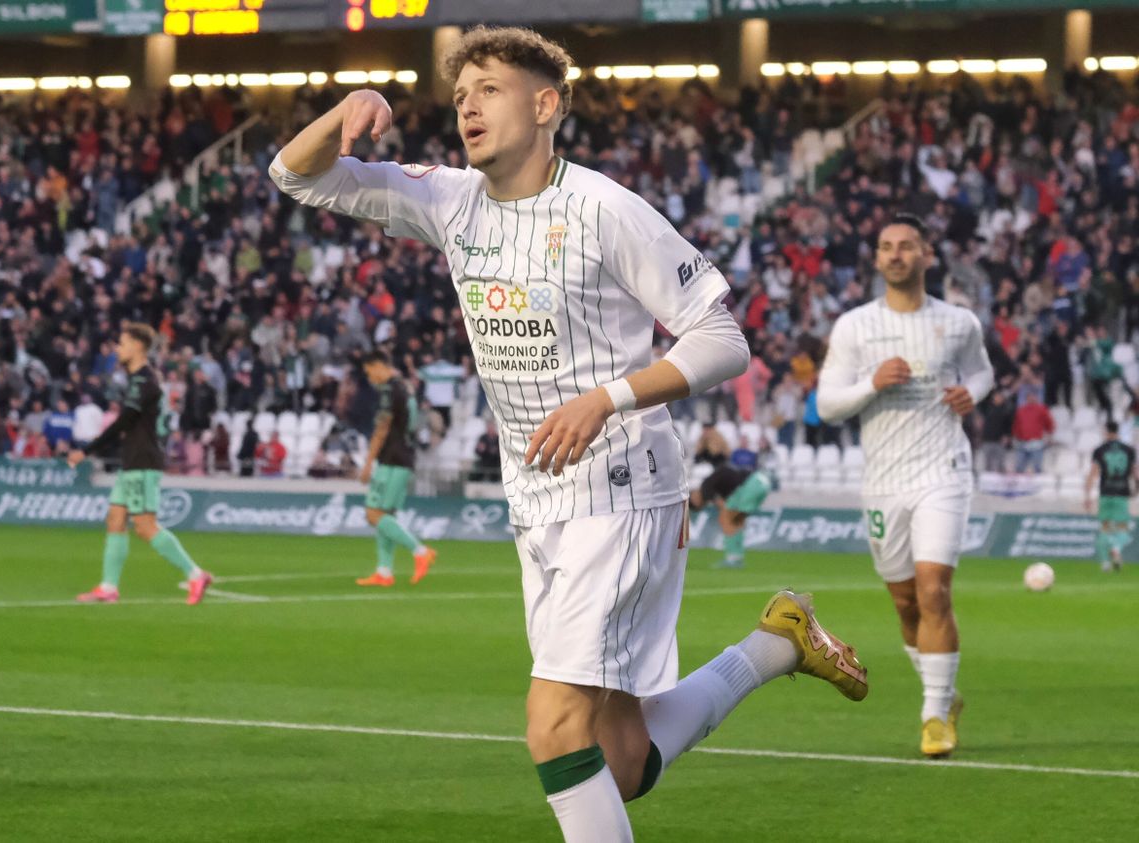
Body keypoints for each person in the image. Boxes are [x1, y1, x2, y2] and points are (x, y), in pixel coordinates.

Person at [269, 27, 867, 841]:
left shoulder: (605, 209)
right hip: (536, 495)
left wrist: (607, 398)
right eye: (459, 96)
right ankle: (777, 643)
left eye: (489, 89)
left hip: (621, 487)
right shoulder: (447, 199)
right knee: (618, 762)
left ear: (545, 105)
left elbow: (722, 341)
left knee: (551, 725)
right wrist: (345, 109)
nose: (468, 107)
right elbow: (295, 175)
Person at [816, 214, 994, 760]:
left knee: (934, 590)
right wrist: (872, 382)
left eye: (907, 246)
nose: (896, 255)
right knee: (905, 604)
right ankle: (944, 693)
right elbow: (826, 406)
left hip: (943, 470)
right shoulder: (853, 327)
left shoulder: (960, 322)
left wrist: (973, 394)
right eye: (887, 247)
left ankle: (934, 714)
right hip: (883, 481)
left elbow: (983, 373)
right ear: (876, 258)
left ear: (926, 255)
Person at [68, 322, 214, 606]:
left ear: (137, 346)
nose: (118, 349)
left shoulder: (145, 381)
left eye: (123, 343)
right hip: (133, 458)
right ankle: (109, 587)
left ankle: (195, 574)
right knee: (116, 519)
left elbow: (125, 421)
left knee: (145, 526)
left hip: (143, 459)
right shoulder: (142, 379)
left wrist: (87, 450)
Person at [354, 351, 437, 587]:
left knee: (373, 514)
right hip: (406, 457)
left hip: (393, 458)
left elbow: (382, 427)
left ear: (378, 366)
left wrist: (369, 462)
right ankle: (384, 572)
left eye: (370, 372)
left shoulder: (390, 389)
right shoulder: (406, 386)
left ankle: (420, 551)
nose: (370, 378)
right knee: (386, 515)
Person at [688, 465, 772, 570]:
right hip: (761, 483)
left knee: (726, 520)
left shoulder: (705, 488)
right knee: (737, 522)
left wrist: (726, 515)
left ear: (694, 498)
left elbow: (723, 506)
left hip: (751, 484)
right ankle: (736, 557)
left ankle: (733, 558)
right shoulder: (714, 485)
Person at [1086, 422, 1136, 572]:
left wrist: (1087, 495)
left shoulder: (1099, 450)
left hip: (1105, 493)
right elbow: (1136, 473)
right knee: (1122, 529)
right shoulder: (1129, 450)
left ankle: (1105, 563)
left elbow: (1093, 473)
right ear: (1117, 431)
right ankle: (1116, 547)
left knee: (1105, 529)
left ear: (1106, 432)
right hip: (1121, 494)